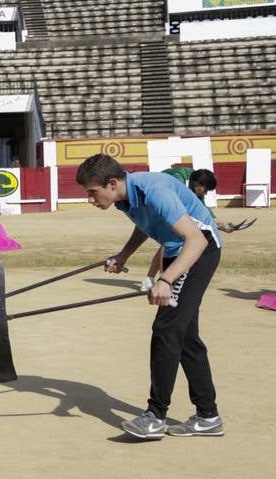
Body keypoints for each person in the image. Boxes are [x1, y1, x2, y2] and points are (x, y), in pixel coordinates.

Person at [77, 153, 225, 439]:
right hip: (175, 252)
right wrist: (123, 255)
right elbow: (145, 223)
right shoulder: (124, 198)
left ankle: (155, 416)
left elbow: (197, 240)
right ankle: (208, 416)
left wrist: (166, 279)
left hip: (199, 251)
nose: (90, 199)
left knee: (166, 329)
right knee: (185, 337)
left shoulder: (154, 191)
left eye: (92, 193)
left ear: (110, 183)